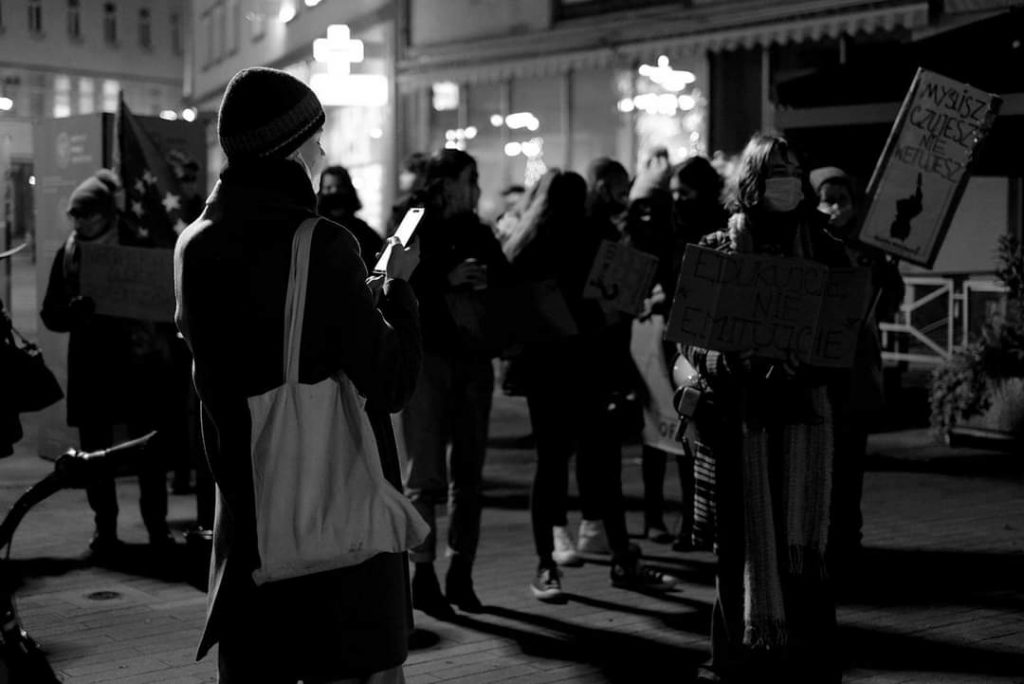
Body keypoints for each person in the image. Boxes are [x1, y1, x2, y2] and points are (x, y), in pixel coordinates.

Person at [174, 67, 422, 683]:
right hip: (327, 502)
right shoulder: (323, 243)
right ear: (292, 145)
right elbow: (388, 382)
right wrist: (397, 298)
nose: (323, 151)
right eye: (318, 137)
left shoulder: (194, 242)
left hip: (249, 504)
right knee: (352, 667)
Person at [683, 134, 848, 683]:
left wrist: (815, 359)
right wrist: (734, 362)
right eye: (777, 170)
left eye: (795, 169)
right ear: (753, 180)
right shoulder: (717, 248)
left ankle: (808, 664)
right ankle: (737, 664)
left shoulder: (826, 248)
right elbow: (688, 338)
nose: (790, 180)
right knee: (741, 550)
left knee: (805, 556)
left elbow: (847, 326)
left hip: (806, 421)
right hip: (742, 423)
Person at [398, 148, 511, 619]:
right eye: (471, 179)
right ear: (446, 184)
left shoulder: (480, 231)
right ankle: (422, 575)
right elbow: (386, 278)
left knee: (469, 474)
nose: (478, 189)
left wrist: (490, 282)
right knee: (424, 476)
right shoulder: (410, 221)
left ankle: (460, 571)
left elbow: (508, 283)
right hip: (427, 361)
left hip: (473, 361)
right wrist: (444, 277)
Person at [40, 169, 176, 557]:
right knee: (95, 455)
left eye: (88, 214)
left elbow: (162, 299)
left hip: (137, 366)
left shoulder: (137, 243)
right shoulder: (69, 254)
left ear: (107, 213)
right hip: (92, 367)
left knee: (147, 451)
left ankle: (157, 528)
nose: (81, 222)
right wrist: (74, 312)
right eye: (75, 215)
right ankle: (106, 530)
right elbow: (51, 313)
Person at [626, 155, 726, 548]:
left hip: (700, 346)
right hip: (667, 340)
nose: (677, 200)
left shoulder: (716, 231)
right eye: (673, 193)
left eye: (684, 192)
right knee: (660, 427)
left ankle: (694, 520)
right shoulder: (669, 227)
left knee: (691, 431)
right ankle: (662, 517)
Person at [810, 165, 904, 573]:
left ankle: (849, 538)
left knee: (850, 461)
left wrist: (889, 270)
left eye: (842, 199)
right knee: (819, 460)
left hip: (856, 370)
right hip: (817, 371)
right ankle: (818, 539)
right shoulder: (806, 245)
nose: (834, 208)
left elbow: (886, 305)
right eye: (826, 198)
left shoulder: (869, 249)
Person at [319, 164, 384, 272]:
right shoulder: (316, 229)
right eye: (328, 188)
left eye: (339, 187)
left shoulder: (364, 231)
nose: (335, 192)